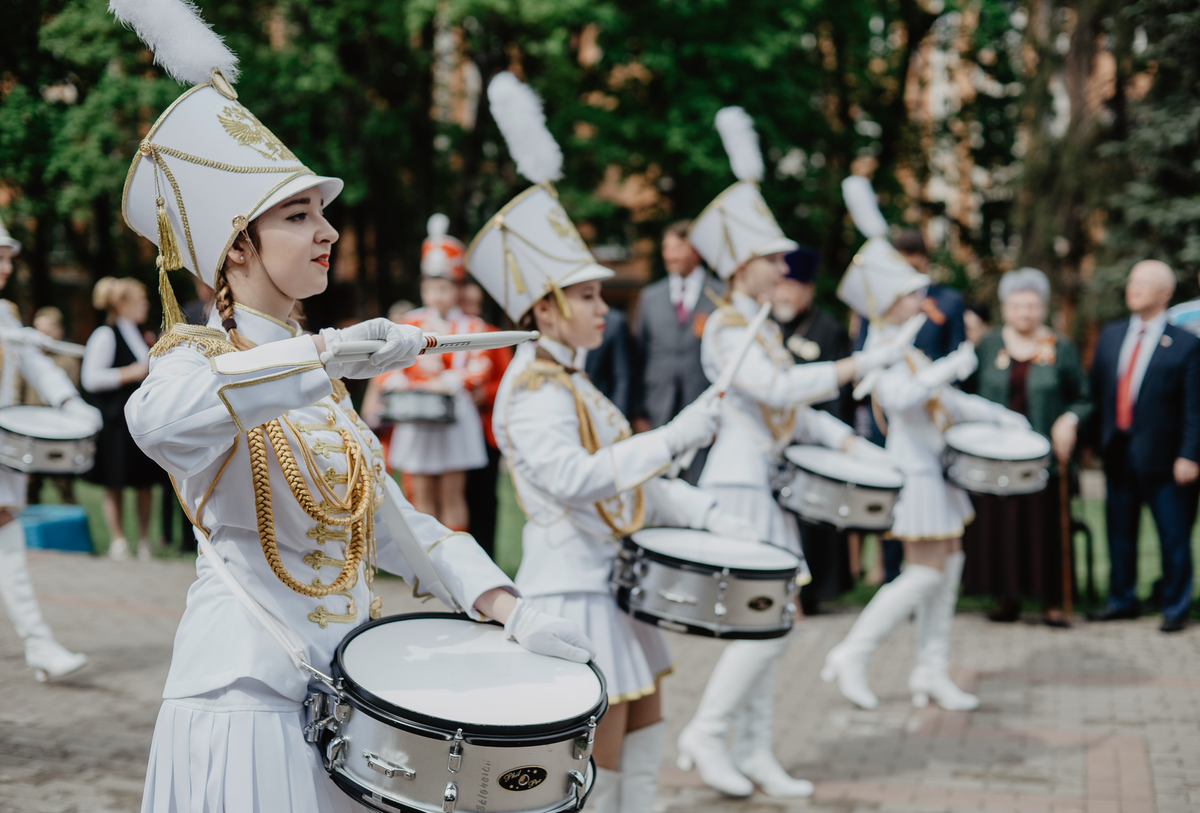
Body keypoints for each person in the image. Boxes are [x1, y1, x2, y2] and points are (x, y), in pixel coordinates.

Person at [107, 14, 592, 809]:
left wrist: (506, 604)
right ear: (237, 247)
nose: (328, 230)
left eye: (321, 213)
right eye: (297, 216)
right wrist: (324, 353)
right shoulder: (199, 359)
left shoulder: (321, 383)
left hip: (350, 695)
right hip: (243, 695)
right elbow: (157, 423)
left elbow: (397, 521)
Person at [477, 72, 754, 813]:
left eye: (602, 293)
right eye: (590, 295)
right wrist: (674, 436)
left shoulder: (577, 381)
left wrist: (703, 513)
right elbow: (577, 478)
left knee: (646, 734)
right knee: (593, 767)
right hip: (572, 589)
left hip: (611, 579)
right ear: (546, 306)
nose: (605, 307)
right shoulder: (533, 388)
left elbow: (630, 481)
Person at [675, 110, 906, 799]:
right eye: (774, 257)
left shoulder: (758, 326)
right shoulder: (724, 328)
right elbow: (772, 388)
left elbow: (791, 412)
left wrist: (854, 444)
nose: (784, 268)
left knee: (773, 619)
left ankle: (752, 747)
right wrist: (855, 363)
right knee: (770, 620)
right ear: (743, 264)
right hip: (740, 488)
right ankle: (711, 732)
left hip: (765, 485)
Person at [822, 176, 1029, 713]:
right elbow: (905, 397)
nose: (922, 296)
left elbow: (951, 406)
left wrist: (1005, 418)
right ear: (890, 301)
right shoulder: (882, 348)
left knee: (950, 566)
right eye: (912, 291)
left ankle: (929, 670)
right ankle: (852, 652)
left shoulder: (906, 347)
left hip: (934, 471)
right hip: (913, 475)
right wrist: (948, 369)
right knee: (923, 574)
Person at [961, 268, 1092, 625]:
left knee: (1043, 529)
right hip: (997, 458)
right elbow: (967, 394)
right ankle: (1007, 596)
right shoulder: (988, 346)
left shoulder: (1059, 346)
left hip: (1043, 460)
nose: (1025, 313)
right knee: (1004, 528)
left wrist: (1069, 419)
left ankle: (1052, 600)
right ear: (1005, 308)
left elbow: (1082, 397)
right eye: (1017, 306)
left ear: (1043, 308)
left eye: (1032, 306)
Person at [0, 218, 100, 682]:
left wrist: (69, 403)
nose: (6, 265)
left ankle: (39, 642)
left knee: (5, 528)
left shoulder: (5, 315)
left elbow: (36, 366)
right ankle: (39, 642)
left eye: (8, 257)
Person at [1088, 260, 1200, 633]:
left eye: (1144, 283)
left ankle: (1174, 605)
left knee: (1173, 535)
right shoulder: (1111, 335)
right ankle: (1122, 599)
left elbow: (1194, 406)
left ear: (1165, 293)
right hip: (1118, 452)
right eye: (1132, 281)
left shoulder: (1186, 344)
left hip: (1167, 459)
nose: (1133, 288)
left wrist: (1190, 454)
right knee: (1119, 532)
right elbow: (1098, 393)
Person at [379, 215, 492, 532]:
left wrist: (449, 382)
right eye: (430, 287)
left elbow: (480, 366)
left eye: (444, 287)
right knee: (422, 493)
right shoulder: (409, 324)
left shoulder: (472, 326)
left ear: (457, 289)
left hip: (456, 416)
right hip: (416, 415)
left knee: (454, 494)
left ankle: (458, 570)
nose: (437, 294)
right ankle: (426, 570)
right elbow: (391, 365)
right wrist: (403, 382)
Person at [772, 247, 854, 613]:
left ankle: (815, 591)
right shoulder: (767, 327)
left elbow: (837, 394)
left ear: (807, 291)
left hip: (813, 435)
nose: (783, 296)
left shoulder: (828, 329)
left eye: (791, 288)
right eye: (780, 287)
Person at [630, 220, 723, 483]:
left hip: (702, 405)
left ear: (696, 250)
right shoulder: (650, 296)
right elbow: (638, 356)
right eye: (666, 247)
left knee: (699, 481)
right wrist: (638, 412)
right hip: (656, 406)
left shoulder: (720, 295)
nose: (669, 254)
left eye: (677, 247)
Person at [81, 277, 159, 560]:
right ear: (122, 304)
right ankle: (117, 540)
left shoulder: (141, 333)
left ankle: (143, 540)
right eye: (141, 300)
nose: (146, 305)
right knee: (115, 480)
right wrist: (131, 373)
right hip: (116, 421)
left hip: (139, 420)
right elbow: (90, 378)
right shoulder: (105, 334)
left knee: (143, 481)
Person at [460, 280, 512, 558]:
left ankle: (485, 553)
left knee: (483, 495)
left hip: (482, 429)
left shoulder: (492, 336)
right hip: (451, 431)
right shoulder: (449, 334)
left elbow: (506, 382)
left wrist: (484, 393)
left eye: (474, 305)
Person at [24, 307, 82, 506]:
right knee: (29, 486)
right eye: (38, 330)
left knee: (64, 485)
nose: (43, 335)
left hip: (57, 432)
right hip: (30, 429)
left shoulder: (68, 361)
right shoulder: (25, 358)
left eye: (48, 330)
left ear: (58, 330)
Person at [584, 307, 634, 415]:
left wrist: (617, 416)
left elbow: (622, 377)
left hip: (603, 409)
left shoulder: (613, 324)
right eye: (587, 296)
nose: (603, 307)